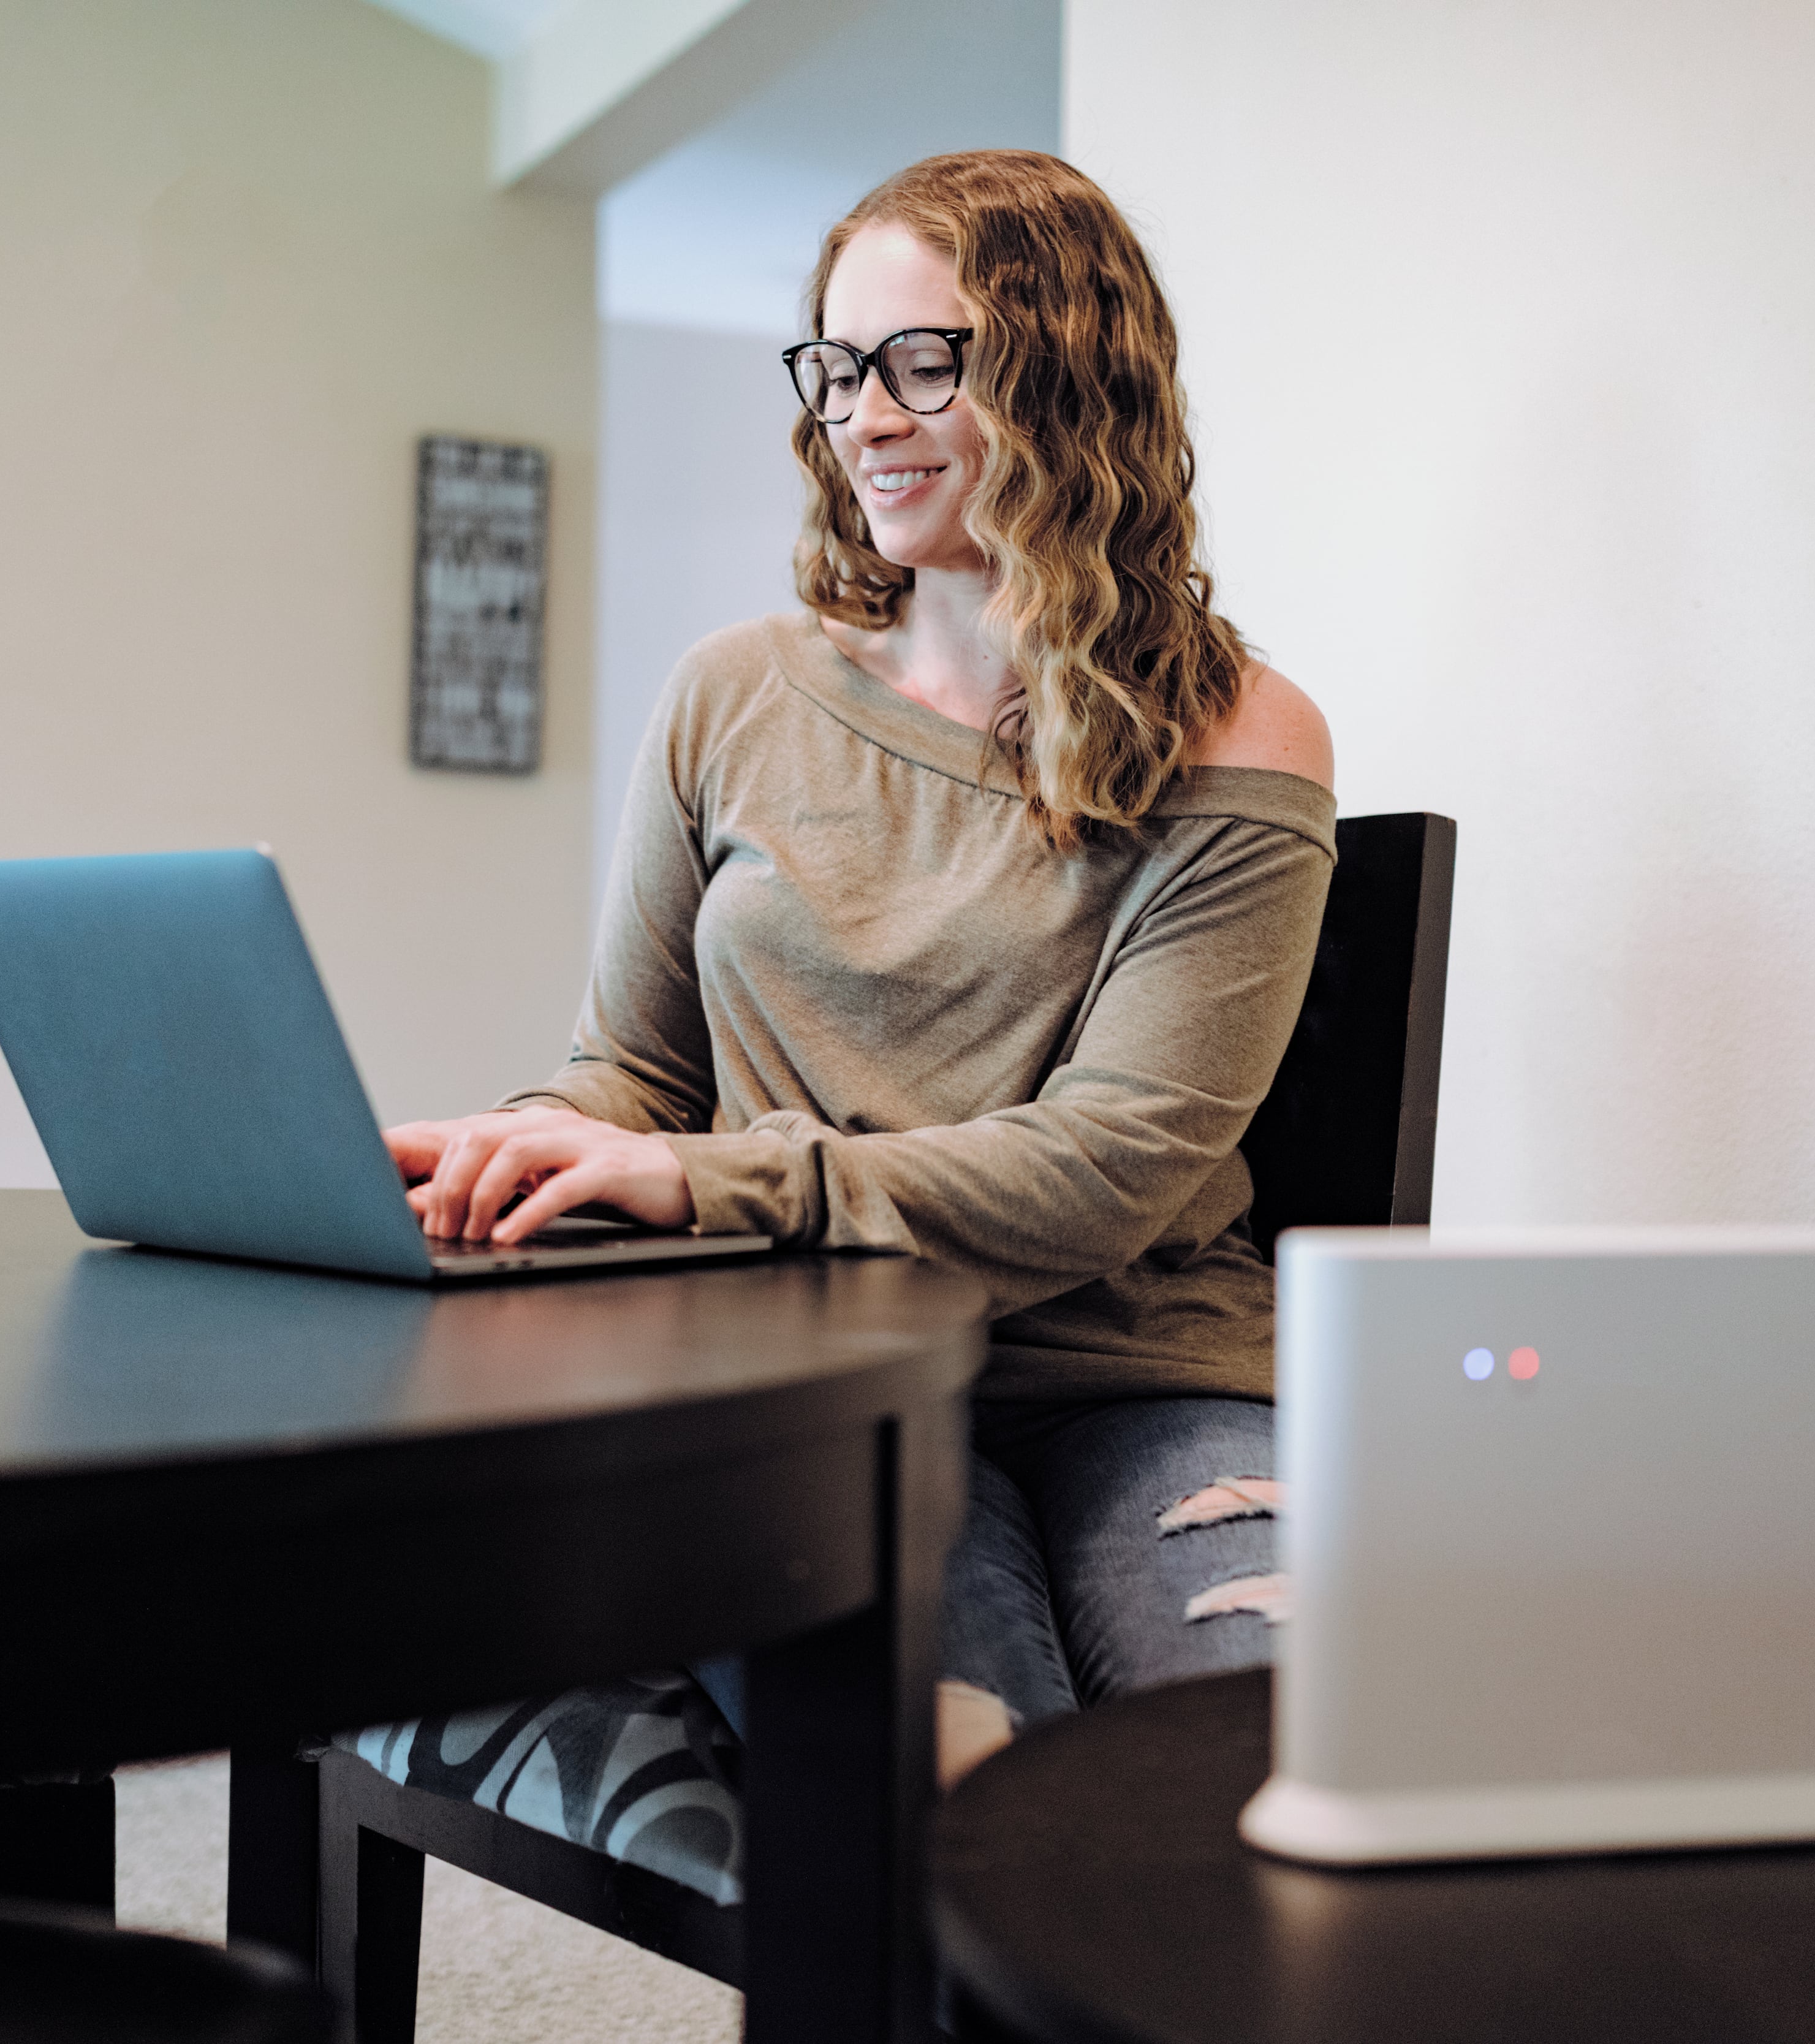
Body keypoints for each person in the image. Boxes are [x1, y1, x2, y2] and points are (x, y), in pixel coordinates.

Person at [387, 150, 1335, 1787]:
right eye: (836, 366)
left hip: (1140, 1373)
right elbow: (633, 1070)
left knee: (1239, 1784)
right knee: (951, 1785)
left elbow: (1109, 1171)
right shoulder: (734, 693)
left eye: (923, 361)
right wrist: (532, 1146)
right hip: (810, 1375)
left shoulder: (1244, 734)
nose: (865, 417)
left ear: (1068, 374)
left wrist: (705, 1186)